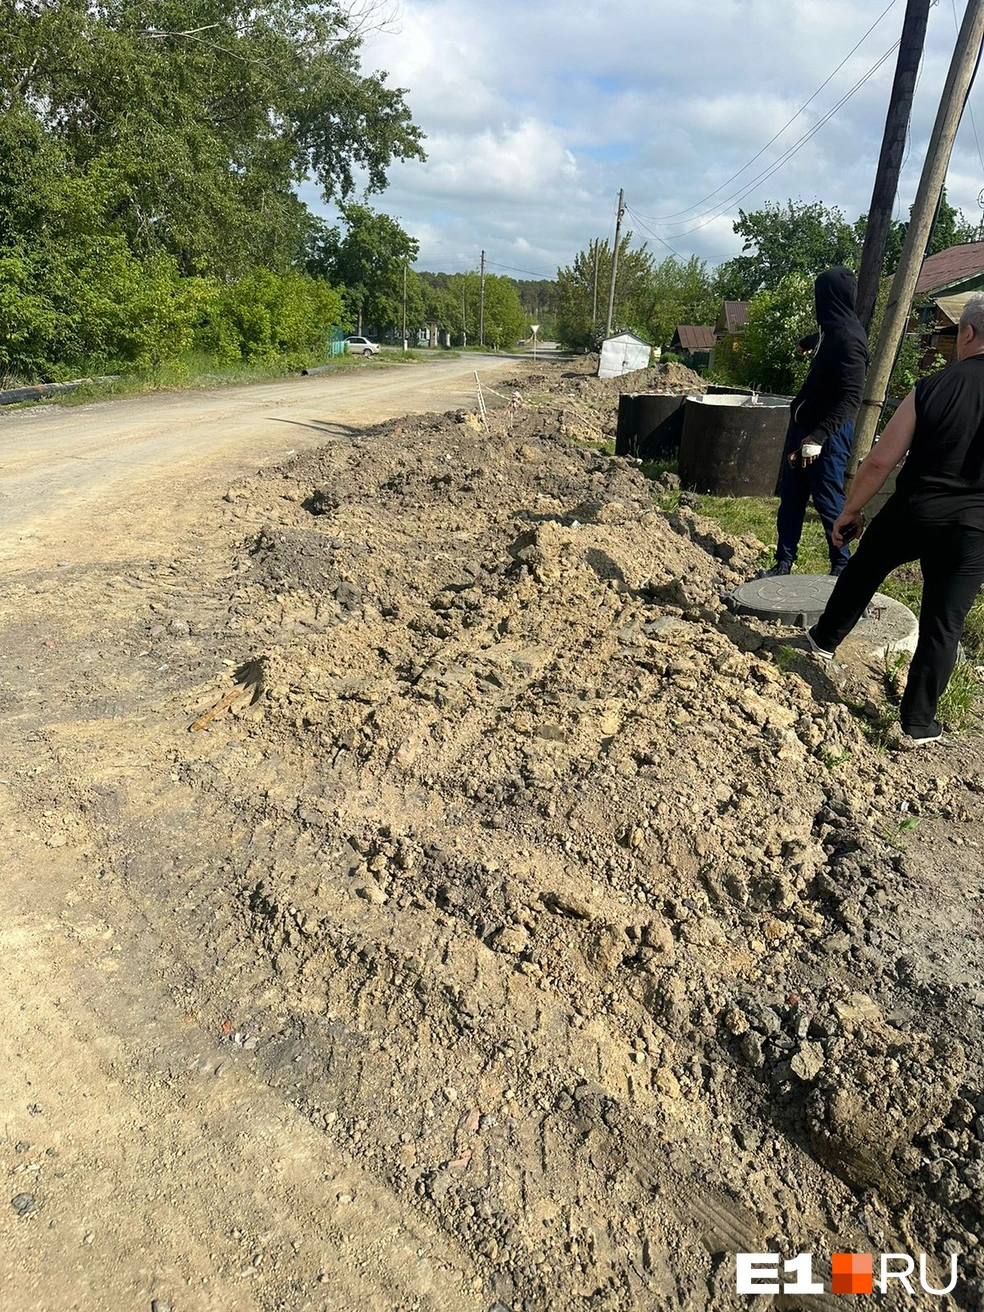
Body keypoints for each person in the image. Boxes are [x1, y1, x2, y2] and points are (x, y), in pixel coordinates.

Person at [807, 292, 984, 744]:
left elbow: (880, 462)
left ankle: (823, 642)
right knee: (945, 622)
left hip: (914, 510)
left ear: (967, 333)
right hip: (974, 530)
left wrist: (850, 511)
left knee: (863, 571)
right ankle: (918, 722)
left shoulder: (932, 387)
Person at [759, 267, 869, 578]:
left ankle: (841, 567)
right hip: (803, 429)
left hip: (827, 435)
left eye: (818, 296)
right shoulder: (831, 329)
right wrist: (808, 340)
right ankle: (784, 562)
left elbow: (851, 399)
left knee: (828, 502)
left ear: (829, 298)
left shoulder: (850, 340)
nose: (815, 302)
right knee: (791, 499)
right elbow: (824, 339)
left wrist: (818, 437)